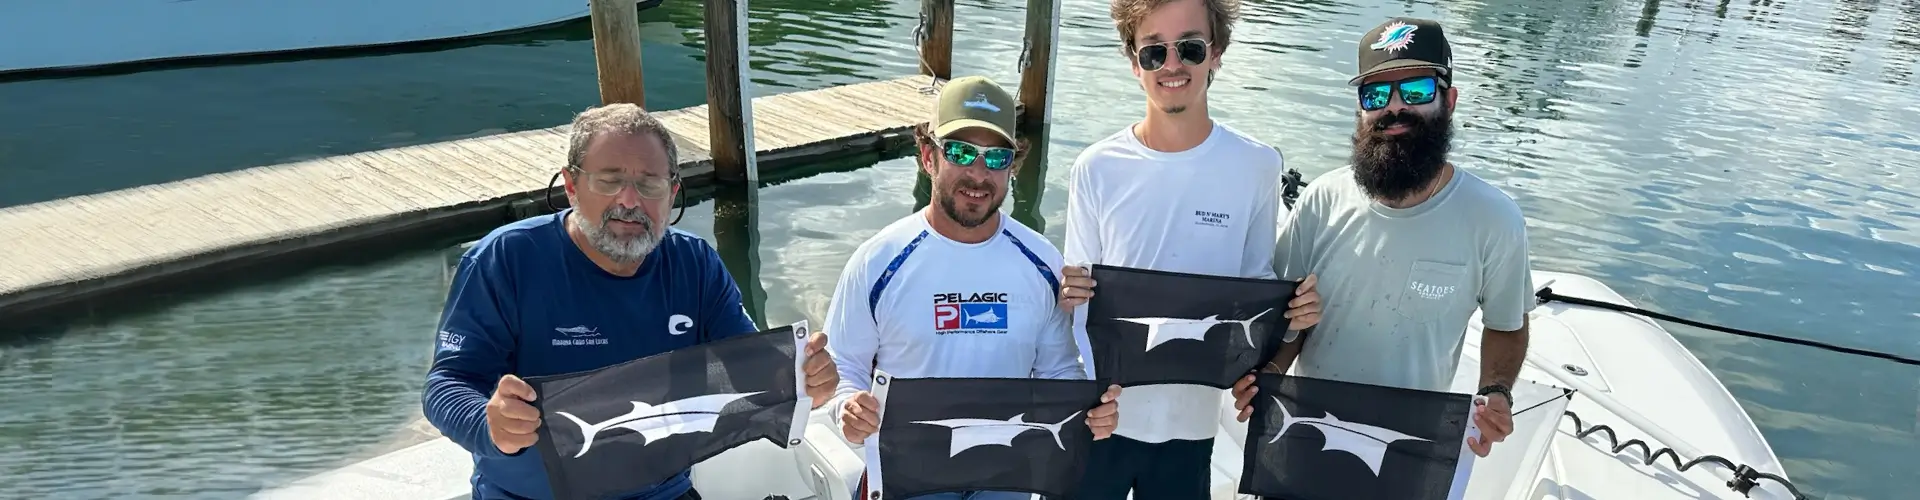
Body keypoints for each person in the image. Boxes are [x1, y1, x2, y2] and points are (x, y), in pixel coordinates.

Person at [422, 103, 841, 500]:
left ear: (673, 192)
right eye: (609, 180)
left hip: (662, 491)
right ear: (571, 185)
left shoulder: (693, 264)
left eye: (649, 183)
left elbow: (749, 369)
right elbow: (447, 385)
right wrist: (488, 423)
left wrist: (803, 379)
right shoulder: (505, 259)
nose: (629, 200)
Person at [1052, 0, 1323, 497]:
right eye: (1154, 52)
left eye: (1190, 48)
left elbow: (1255, 285)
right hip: (1100, 419)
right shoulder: (1095, 167)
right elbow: (1079, 310)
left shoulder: (1257, 166)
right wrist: (1065, 300)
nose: (1172, 65)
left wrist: (1293, 314)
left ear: (1216, 53)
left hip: (1192, 424)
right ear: (1134, 62)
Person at [823, 75, 1123, 500]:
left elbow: (1058, 370)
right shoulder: (877, 260)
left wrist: (1092, 409)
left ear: (1013, 167)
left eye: (997, 158)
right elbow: (842, 366)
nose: (978, 174)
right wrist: (847, 408)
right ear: (928, 156)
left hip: (1008, 479)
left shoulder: (1042, 262)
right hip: (906, 479)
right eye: (961, 152)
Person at [1258, 17, 1532, 459]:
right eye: (1377, 94)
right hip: (1308, 428)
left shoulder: (1495, 219)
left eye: (1418, 90)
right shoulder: (1322, 200)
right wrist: (1269, 370)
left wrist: (1496, 391)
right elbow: (1287, 317)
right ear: (1361, 110)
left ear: (1450, 101)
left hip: (1407, 442)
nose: (1395, 107)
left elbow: (1506, 324)